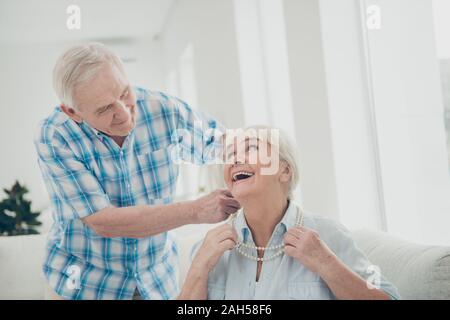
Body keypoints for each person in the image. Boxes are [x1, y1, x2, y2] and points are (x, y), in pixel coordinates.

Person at [34, 42, 240, 300]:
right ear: (73, 112)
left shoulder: (164, 111)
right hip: (86, 284)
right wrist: (197, 210)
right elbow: (104, 222)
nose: (123, 114)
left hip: (156, 281)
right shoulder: (56, 135)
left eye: (124, 94)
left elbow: (225, 144)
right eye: (104, 108)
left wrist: (259, 159)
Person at [179, 126, 400, 299]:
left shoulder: (329, 235)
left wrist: (327, 264)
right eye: (230, 154)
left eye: (251, 148)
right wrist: (199, 268)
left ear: (285, 171)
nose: (235, 160)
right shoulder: (208, 249)